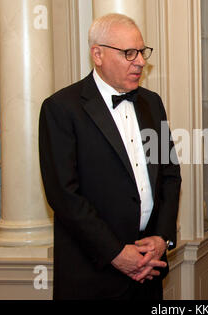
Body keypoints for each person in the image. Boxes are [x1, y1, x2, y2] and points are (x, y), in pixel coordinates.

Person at [39, 13, 181, 300]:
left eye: (142, 52)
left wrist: (160, 239)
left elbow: (169, 176)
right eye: (129, 53)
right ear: (98, 54)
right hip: (92, 275)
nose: (140, 61)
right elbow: (64, 195)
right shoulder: (62, 108)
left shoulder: (152, 103)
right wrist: (116, 253)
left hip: (148, 271)